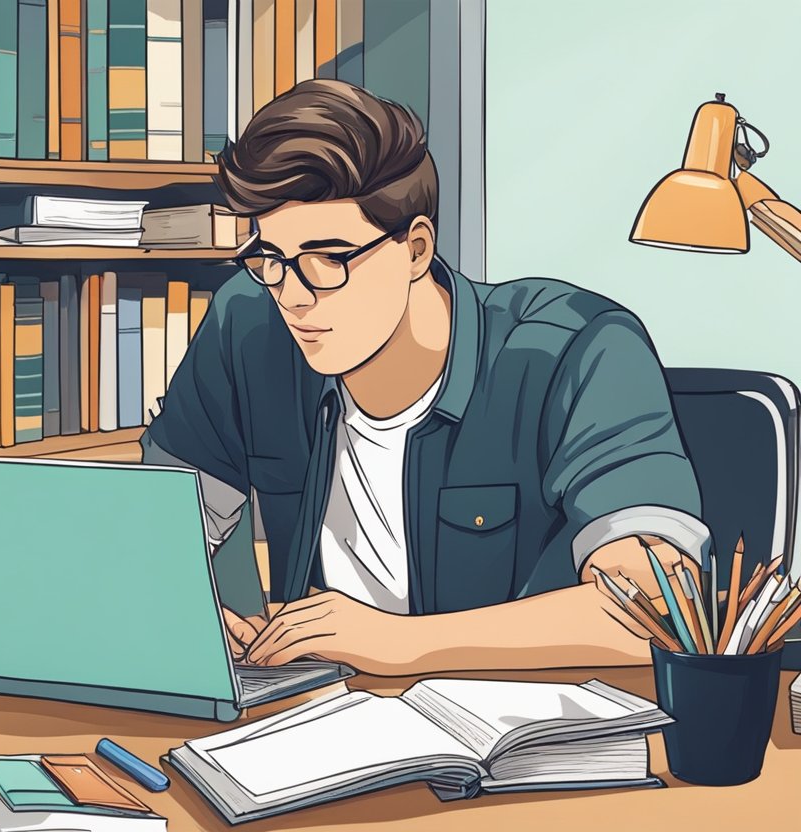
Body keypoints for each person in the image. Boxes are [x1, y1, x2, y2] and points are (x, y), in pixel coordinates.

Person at [140, 79, 710, 677]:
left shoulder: (578, 346)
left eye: (329, 260)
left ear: (415, 248)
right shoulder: (249, 324)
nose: (294, 296)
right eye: (271, 259)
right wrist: (196, 615)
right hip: (316, 716)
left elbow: (655, 611)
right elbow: (152, 539)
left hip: (525, 733)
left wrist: (404, 644)